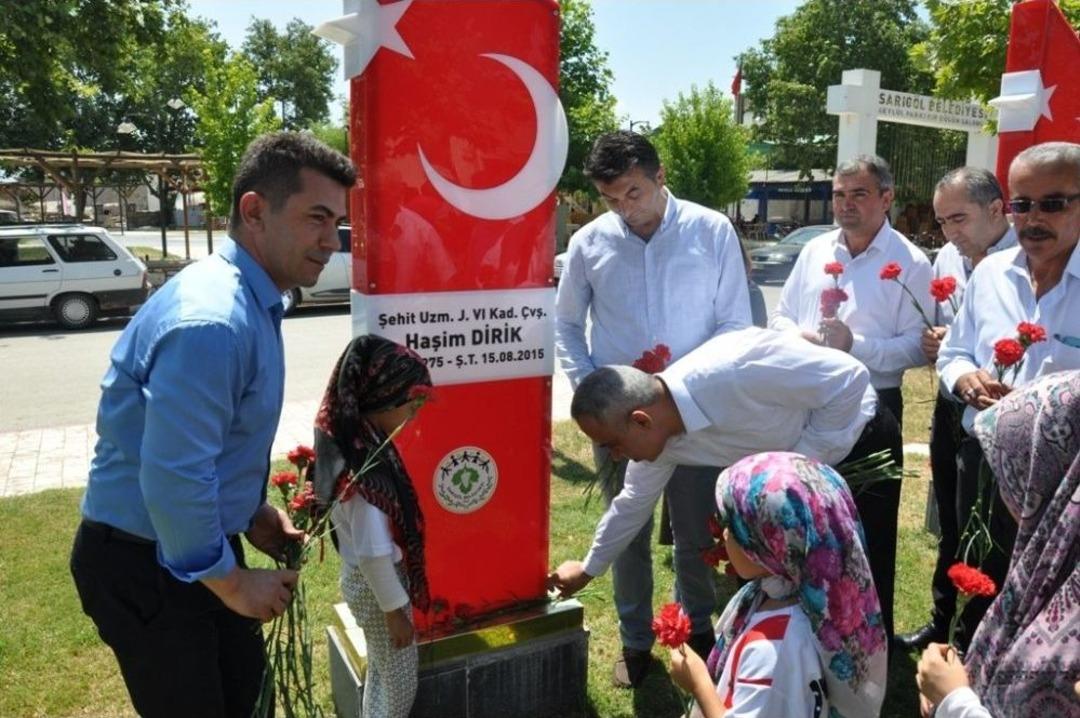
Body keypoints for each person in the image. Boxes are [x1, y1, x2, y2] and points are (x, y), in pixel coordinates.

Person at [69, 131, 355, 718]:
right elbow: (175, 473)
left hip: (187, 549)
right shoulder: (214, 321)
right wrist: (230, 582)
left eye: (338, 222)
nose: (332, 242)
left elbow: (211, 446)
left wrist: (249, 513)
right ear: (255, 211)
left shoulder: (252, 300)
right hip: (146, 563)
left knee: (247, 700)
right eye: (317, 219)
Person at [547, 325, 905, 645]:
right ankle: (795, 669)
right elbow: (633, 502)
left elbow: (849, 379)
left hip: (858, 442)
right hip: (787, 487)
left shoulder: (734, 369)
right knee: (786, 584)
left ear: (640, 421)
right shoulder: (660, 436)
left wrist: (793, 470)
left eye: (612, 444)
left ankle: (867, 669)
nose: (613, 457)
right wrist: (589, 567)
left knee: (859, 578)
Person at [555, 130, 751, 686]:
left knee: (696, 530)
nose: (625, 209)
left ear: (660, 176)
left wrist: (686, 387)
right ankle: (635, 638)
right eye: (612, 199)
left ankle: (697, 627)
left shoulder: (711, 230)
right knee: (629, 530)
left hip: (692, 407)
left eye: (634, 193)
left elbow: (735, 322)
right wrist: (591, 386)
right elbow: (566, 324)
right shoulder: (590, 243)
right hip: (619, 417)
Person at [936, 141, 1080, 651]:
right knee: (980, 574)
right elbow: (951, 353)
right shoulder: (992, 275)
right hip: (984, 462)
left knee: (1051, 596)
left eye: (1053, 203)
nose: (1032, 218)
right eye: (1021, 204)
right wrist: (964, 378)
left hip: (1066, 484)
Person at [896, 168, 1018, 653]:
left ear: (995, 210)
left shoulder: (1028, 259)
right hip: (952, 408)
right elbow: (956, 339)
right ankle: (941, 622)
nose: (950, 233)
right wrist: (941, 348)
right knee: (952, 521)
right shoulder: (948, 256)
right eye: (943, 221)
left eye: (959, 219)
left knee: (995, 538)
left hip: (1003, 421)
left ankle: (980, 640)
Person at [669, 452, 888, 718]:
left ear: (773, 544)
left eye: (734, 525)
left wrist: (699, 683)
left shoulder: (773, 650)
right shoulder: (810, 603)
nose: (724, 534)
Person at [916, 370, 1080, 718]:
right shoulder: (1047, 573)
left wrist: (954, 701)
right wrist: (959, 686)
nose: (1003, 495)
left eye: (1016, 470)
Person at [312, 336, 432, 718]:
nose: (414, 414)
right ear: (382, 397)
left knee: (383, 674)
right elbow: (373, 552)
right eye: (410, 404)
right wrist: (395, 610)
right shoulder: (365, 477)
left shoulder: (357, 442)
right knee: (398, 683)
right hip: (377, 587)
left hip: (367, 583)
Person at [770, 153, 932, 431]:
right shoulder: (814, 250)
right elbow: (780, 317)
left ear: (886, 199)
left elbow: (917, 348)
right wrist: (799, 338)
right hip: (803, 396)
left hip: (872, 405)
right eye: (838, 195)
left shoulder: (912, 263)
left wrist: (852, 345)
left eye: (859, 194)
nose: (846, 204)